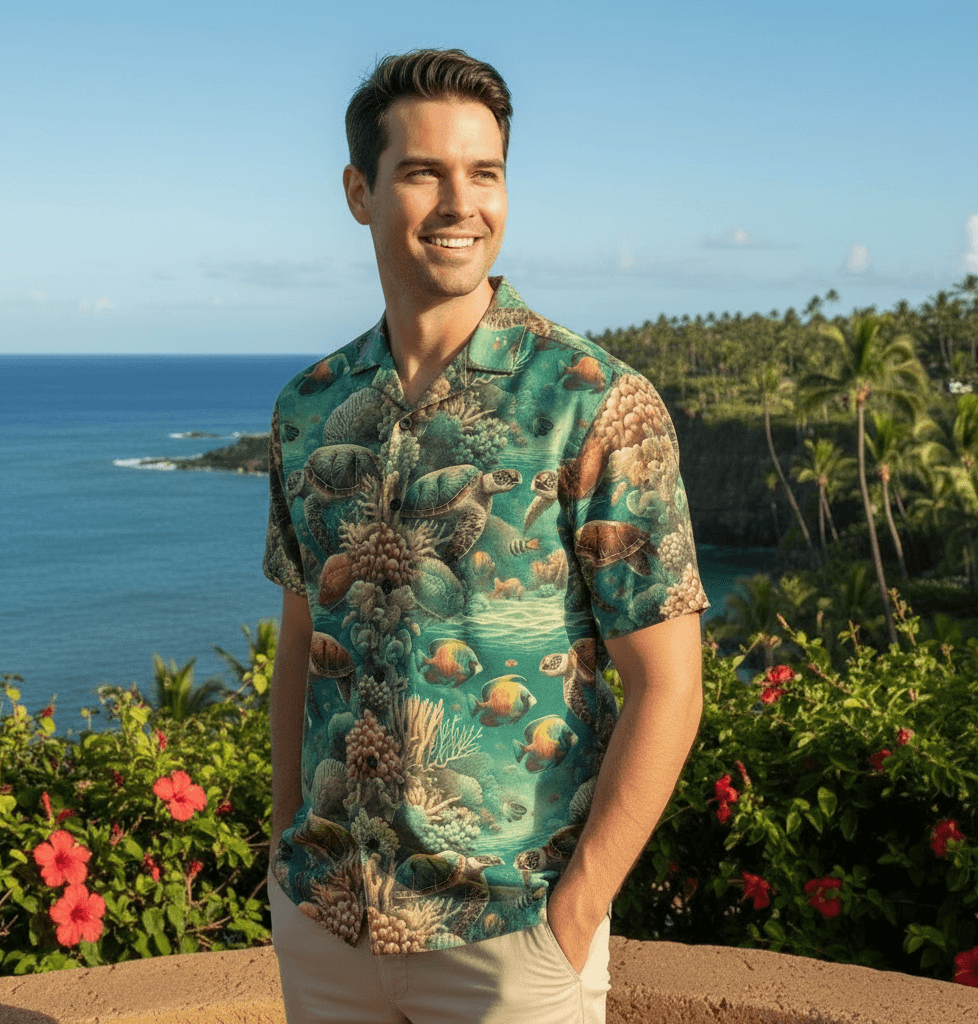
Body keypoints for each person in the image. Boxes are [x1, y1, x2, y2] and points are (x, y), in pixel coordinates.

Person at [262, 47, 709, 1024]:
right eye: (423, 171)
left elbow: (667, 679)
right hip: (324, 922)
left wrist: (576, 910)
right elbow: (301, 637)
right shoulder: (309, 410)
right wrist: (280, 849)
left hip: (509, 942)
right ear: (359, 190)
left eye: (485, 171)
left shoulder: (592, 403)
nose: (461, 202)